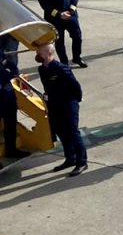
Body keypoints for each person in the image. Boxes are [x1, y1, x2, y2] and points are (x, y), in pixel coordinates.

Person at [34, 43, 87, 175]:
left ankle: (82, 161)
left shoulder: (61, 68)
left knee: (73, 132)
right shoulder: (42, 69)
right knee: (61, 132)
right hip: (54, 104)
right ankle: (70, 158)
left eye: (40, 52)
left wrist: (76, 100)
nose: (37, 55)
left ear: (49, 54)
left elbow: (75, 85)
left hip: (68, 103)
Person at [36, 0, 86, 68]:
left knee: (77, 37)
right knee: (60, 42)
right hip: (54, 19)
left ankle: (77, 57)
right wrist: (59, 14)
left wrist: (70, 12)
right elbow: (45, 5)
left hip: (70, 17)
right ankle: (64, 63)